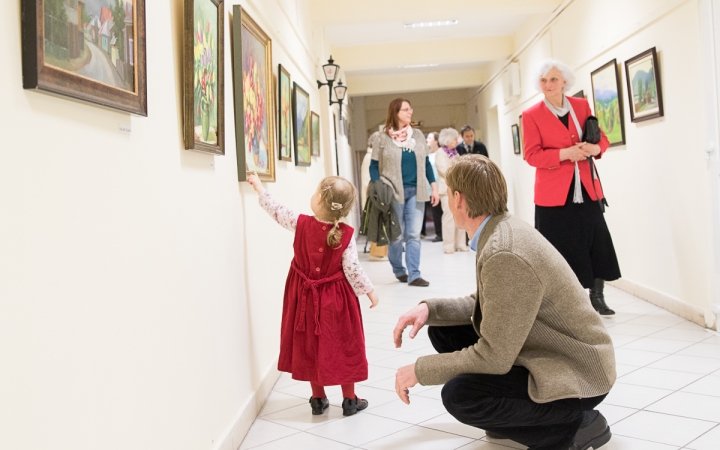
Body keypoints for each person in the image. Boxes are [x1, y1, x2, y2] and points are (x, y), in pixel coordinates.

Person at [392, 155, 616, 450]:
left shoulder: (504, 251)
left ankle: (575, 426)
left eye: (448, 195)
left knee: (460, 396)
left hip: (579, 371)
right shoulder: (501, 229)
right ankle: (520, 419)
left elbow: (494, 357)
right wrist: (430, 309)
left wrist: (419, 370)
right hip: (550, 349)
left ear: (458, 199)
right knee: (443, 329)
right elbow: (489, 303)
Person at [246, 172, 379, 417]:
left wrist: (259, 188)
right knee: (342, 344)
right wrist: (369, 290)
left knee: (310, 343)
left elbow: (276, 210)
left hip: (304, 297)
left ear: (318, 198)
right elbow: (352, 268)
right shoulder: (347, 235)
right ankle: (350, 400)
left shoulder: (300, 222)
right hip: (337, 300)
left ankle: (318, 399)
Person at [522, 58, 621, 315]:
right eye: (543, 80)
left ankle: (597, 297)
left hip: (587, 188)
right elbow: (532, 155)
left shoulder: (581, 105)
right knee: (560, 248)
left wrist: (596, 148)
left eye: (553, 79)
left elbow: (602, 138)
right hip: (553, 195)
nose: (548, 84)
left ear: (564, 81)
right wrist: (565, 154)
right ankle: (566, 301)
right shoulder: (531, 115)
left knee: (595, 242)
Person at [370, 99, 440, 287]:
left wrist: (434, 187)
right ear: (395, 112)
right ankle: (399, 270)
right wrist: (378, 186)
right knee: (396, 236)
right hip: (393, 192)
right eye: (406, 109)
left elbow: (425, 163)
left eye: (410, 108)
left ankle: (414, 274)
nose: (411, 111)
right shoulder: (382, 137)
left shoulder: (416, 135)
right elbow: (374, 166)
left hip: (417, 191)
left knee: (414, 235)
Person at [436, 128, 469, 254]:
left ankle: (460, 243)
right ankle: (449, 245)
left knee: (460, 214)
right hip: (446, 189)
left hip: (459, 188)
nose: (457, 141)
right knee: (449, 217)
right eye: (455, 139)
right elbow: (443, 170)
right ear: (447, 140)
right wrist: (457, 174)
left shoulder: (455, 152)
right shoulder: (440, 152)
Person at [426, 132, 443, 242]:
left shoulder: (441, 154)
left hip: (441, 187)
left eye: (430, 137)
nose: (427, 139)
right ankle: (439, 233)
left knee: (443, 212)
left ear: (436, 141)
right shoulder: (428, 156)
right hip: (431, 189)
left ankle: (444, 233)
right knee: (435, 212)